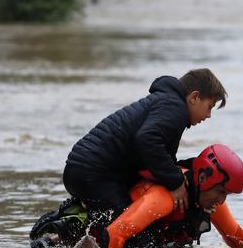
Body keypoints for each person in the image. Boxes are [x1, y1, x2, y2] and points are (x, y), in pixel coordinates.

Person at [30, 144, 243, 248]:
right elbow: (115, 235)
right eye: (220, 192)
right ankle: (56, 239)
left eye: (227, 195)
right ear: (202, 178)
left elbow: (237, 238)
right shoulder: (163, 199)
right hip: (106, 241)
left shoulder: (210, 201)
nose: (221, 200)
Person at [63, 68, 227, 231]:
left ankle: (59, 239)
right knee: (131, 229)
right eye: (209, 107)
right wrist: (175, 182)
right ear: (194, 97)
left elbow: (156, 154)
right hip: (93, 173)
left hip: (84, 170)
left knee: (119, 223)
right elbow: (147, 139)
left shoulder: (167, 102)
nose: (208, 115)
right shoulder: (175, 108)